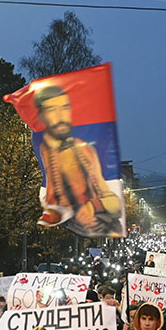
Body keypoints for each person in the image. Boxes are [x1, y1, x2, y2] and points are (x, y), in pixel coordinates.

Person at [33, 84, 123, 236]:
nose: (61, 116)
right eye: (52, 110)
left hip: (98, 226)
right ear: (41, 116)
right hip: (67, 229)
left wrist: (94, 205)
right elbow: (50, 204)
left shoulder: (85, 151)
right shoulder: (43, 150)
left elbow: (115, 204)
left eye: (65, 107)